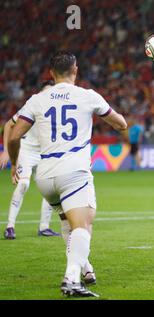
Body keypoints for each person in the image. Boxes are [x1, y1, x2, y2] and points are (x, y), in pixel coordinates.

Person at [8, 51, 127, 297]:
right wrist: (112, 120)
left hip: (45, 177)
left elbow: (13, 135)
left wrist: (13, 163)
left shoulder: (37, 99)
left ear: (51, 73)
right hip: (73, 172)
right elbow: (121, 123)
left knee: (67, 222)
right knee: (83, 225)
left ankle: (86, 268)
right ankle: (71, 279)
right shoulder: (87, 96)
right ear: (76, 70)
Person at [1, 81, 60, 239]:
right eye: (47, 91)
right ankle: (10, 227)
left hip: (45, 152)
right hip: (26, 149)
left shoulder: (58, 108)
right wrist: (6, 151)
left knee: (50, 187)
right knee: (23, 184)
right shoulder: (33, 104)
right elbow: (8, 125)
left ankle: (44, 227)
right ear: (41, 92)